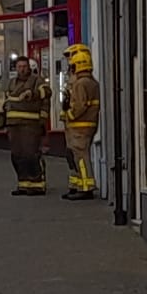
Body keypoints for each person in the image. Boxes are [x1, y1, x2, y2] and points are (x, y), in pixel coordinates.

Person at [3, 54, 51, 196]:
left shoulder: (36, 81)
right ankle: (23, 183)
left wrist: (33, 93)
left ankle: (37, 184)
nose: (22, 69)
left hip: (31, 125)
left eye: (24, 67)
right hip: (13, 125)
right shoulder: (11, 82)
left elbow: (47, 92)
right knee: (17, 155)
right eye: (19, 67)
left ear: (29, 68)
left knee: (31, 154)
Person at [61, 44, 102, 201]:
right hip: (88, 125)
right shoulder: (92, 82)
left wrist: (68, 115)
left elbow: (79, 106)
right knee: (75, 156)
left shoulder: (80, 83)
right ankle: (78, 185)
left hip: (79, 126)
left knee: (80, 157)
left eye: (72, 65)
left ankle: (86, 188)